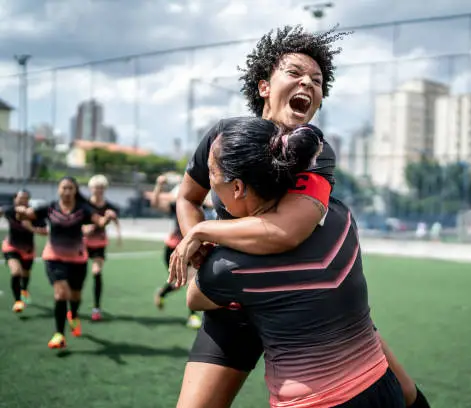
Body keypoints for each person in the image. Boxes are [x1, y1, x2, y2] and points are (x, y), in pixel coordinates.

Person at [171, 25, 429, 408]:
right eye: (294, 73)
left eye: (317, 80)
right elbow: (187, 198)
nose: (307, 82)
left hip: (304, 303)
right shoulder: (224, 139)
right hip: (236, 298)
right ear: (263, 87)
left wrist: (207, 232)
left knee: (403, 393)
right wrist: (199, 246)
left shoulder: (314, 152)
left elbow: (287, 232)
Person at [176, 118, 403, 406]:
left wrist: (205, 235)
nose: (208, 182)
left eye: (211, 173)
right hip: (383, 388)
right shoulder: (340, 215)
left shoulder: (230, 266)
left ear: (237, 188)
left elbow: (194, 298)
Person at [15, 176, 116, 349]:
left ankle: (74, 315)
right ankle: (59, 334)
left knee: (75, 296)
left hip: (77, 259)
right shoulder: (49, 208)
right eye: (64, 188)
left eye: (71, 188)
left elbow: (99, 222)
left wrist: (107, 218)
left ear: (75, 191)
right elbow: (26, 215)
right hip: (54, 258)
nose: (67, 191)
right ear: (58, 190)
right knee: (61, 294)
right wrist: (20, 211)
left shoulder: (82, 209)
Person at [149, 174, 202, 330]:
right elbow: (155, 203)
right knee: (180, 282)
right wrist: (159, 185)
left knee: (193, 280)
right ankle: (162, 293)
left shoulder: (201, 205)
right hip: (174, 249)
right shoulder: (177, 206)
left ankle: (192, 315)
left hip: (192, 248)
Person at [1, 189, 47, 312]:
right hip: (11, 246)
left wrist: (31, 228)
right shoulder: (10, 210)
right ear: (15, 199)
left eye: (26, 199)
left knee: (26, 273)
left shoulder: (34, 214)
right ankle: (18, 301)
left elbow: (45, 231)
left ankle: (24, 290)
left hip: (28, 249)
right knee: (16, 272)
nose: (23, 201)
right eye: (20, 198)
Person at [83, 174, 122, 321]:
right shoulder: (84, 205)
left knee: (97, 272)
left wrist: (119, 235)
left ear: (105, 189)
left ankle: (96, 308)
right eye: (95, 187)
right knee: (78, 276)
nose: (98, 190)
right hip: (81, 244)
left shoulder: (109, 207)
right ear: (90, 188)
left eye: (101, 187)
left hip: (99, 244)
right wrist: (84, 228)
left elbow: (114, 219)